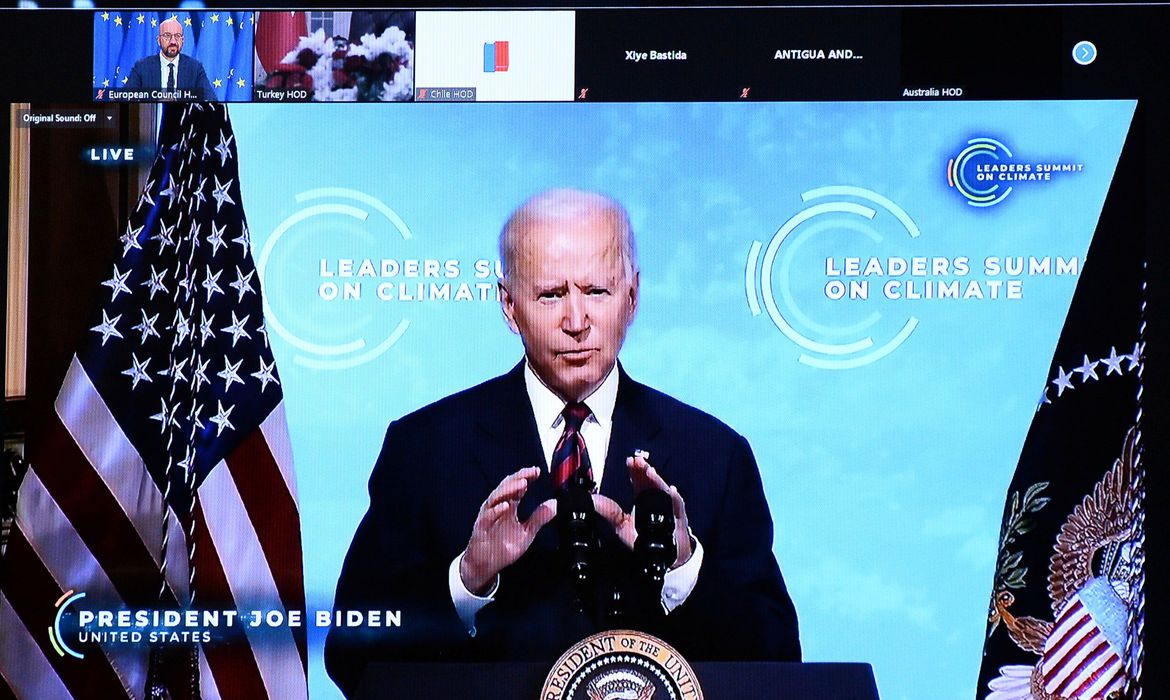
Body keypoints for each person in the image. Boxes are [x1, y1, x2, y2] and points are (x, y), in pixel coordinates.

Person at [325, 189, 800, 696]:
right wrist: (467, 580)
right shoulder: (423, 449)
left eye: (597, 291)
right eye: (551, 295)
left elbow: (778, 661)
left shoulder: (714, 454)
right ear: (509, 306)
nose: (577, 322)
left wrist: (683, 568)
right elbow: (353, 655)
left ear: (632, 297)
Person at [125, 18, 215, 100]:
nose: (173, 41)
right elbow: (124, 97)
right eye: (167, 36)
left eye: (177, 36)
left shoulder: (195, 68)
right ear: (159, 40)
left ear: (182, 40)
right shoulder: (142, 67)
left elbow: (211, 99)